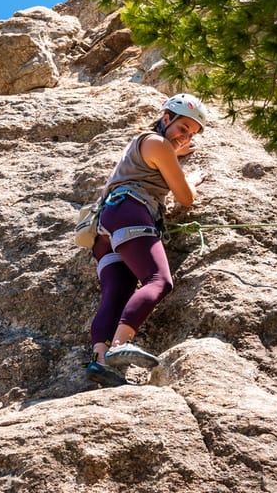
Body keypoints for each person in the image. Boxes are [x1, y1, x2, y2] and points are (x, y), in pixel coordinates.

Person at [85, 93, 207, 387]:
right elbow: (185, 199)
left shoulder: (146, 145)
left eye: (190, 133)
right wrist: (190, 180)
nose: (184, 136)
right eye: (182, 128)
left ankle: (100, 360)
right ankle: (119, 346)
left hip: (106, 227)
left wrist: (174, 153)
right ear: (166, 118)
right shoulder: (157, 143)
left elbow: (155, 161)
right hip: (130, 211)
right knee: (159, 280)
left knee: (117, 291)